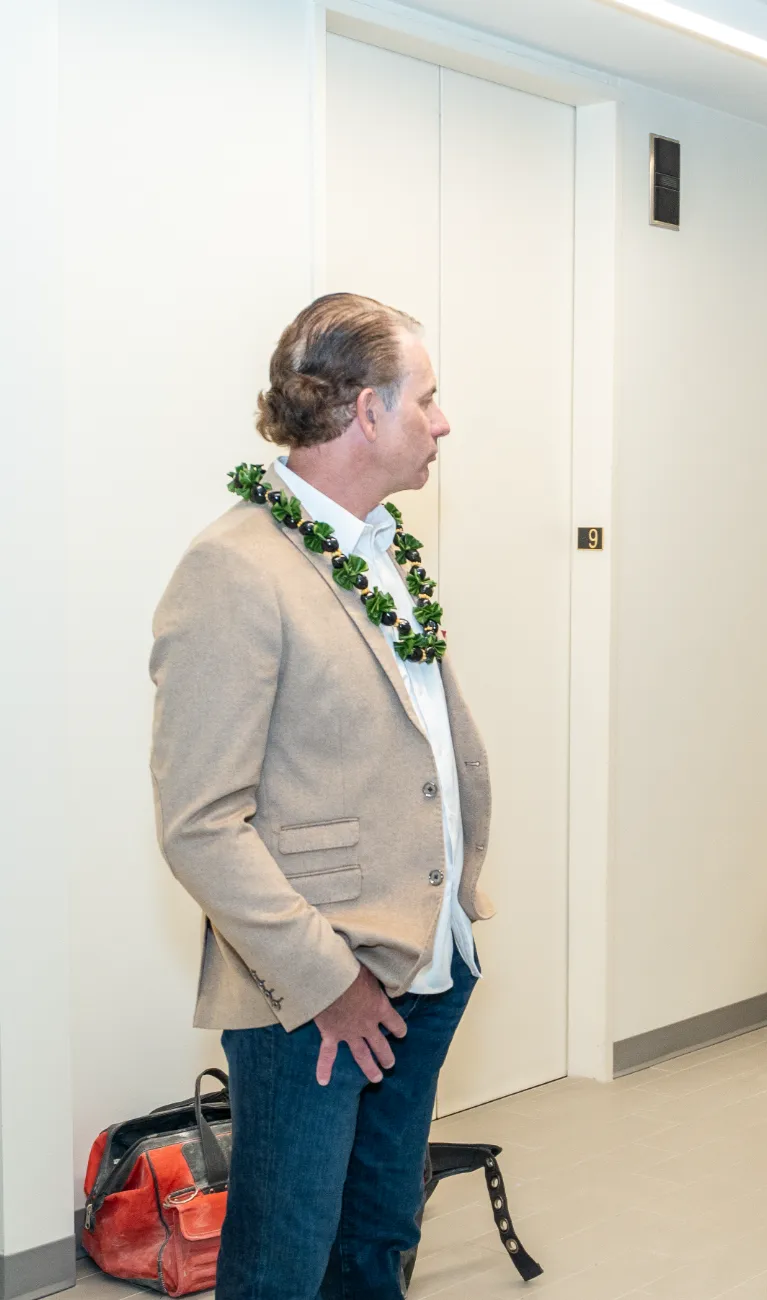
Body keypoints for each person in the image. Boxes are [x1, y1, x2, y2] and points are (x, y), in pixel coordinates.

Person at [151, 293, 489, 1299]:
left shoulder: (380, 547)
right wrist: (330, 981)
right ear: (365, 411)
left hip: (423, 958)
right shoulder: (233, 568)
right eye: (426, 398)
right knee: (283, 1263)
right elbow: (200, 824)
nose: (442, 422)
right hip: (315, 993)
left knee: (377, 1237)